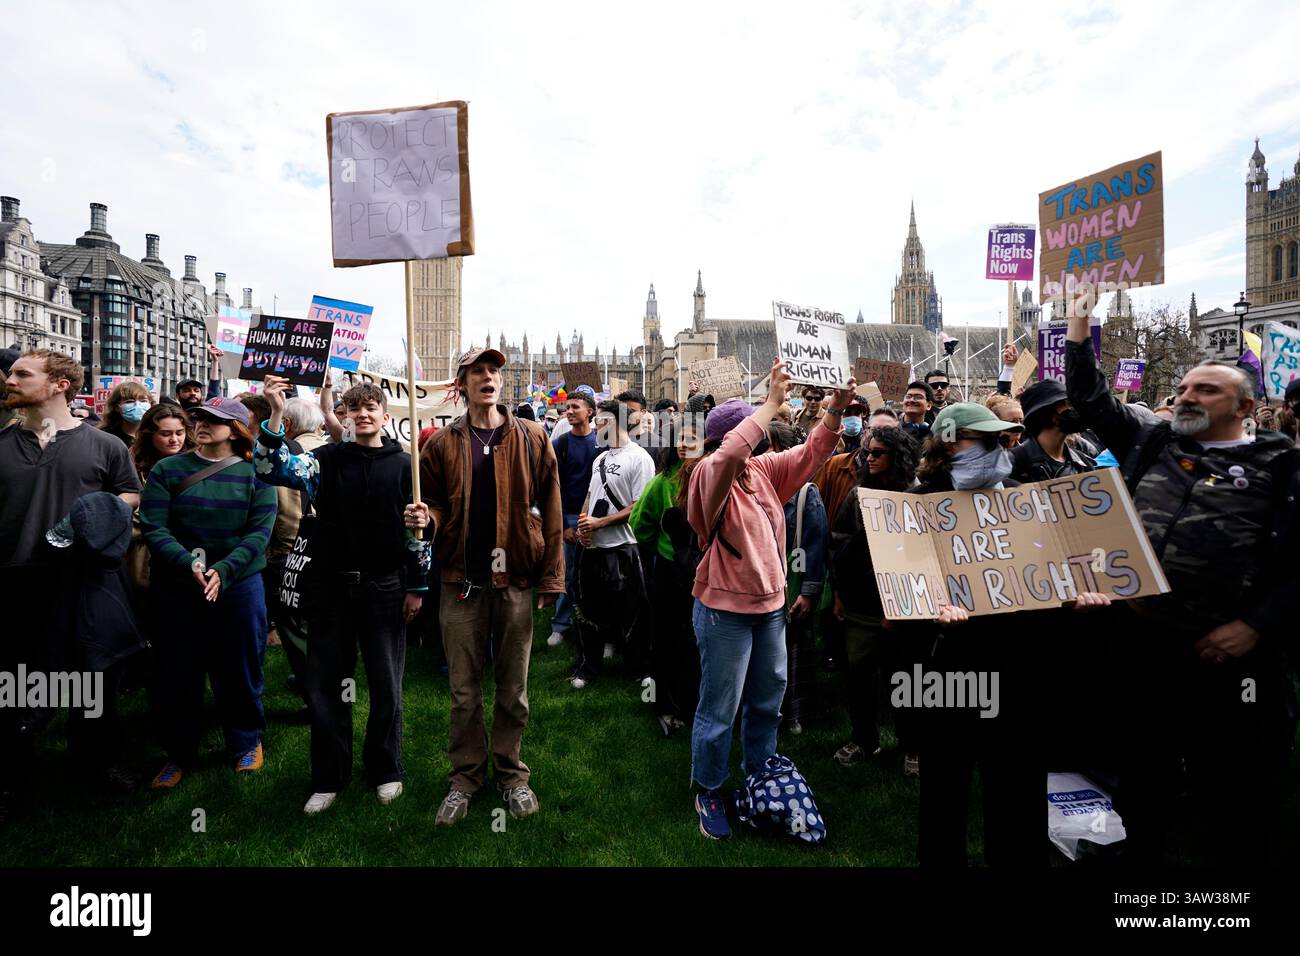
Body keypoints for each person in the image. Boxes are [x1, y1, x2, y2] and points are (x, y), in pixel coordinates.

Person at [1065, 300, 1300, 866]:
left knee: (1235, 788)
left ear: (1245, 406)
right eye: (1185, 387)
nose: (1187, 396)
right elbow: (1091, 400)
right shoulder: (1155, 443)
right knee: (1144, 774)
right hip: (1146, 644)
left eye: (1206, 390)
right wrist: (1079, 326)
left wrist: (1254, 627)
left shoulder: (1280, 464)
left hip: (1229, 656)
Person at [909, 402, 1110, 866]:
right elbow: (896, 583)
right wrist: (928, 611)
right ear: (948, 442)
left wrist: (1075, 601)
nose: (1001, 448)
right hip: (950, 669)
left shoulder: (1027, 497)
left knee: (1017, 784)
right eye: (986, 440)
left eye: (1003, 439)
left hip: (1020, 666)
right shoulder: (917, 504)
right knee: (944, 784)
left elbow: (1051, 578)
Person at [682, 360, 853, 840]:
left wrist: (835, 411)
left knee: (766, 700)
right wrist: (772, 403)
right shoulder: (707, 476)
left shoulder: (760, 472)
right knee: (719, 707)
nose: (755, 438)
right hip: (724, 614)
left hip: (769, 610)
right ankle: (710, 788)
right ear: (730, 436)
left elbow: (810, 454)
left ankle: (759, 777)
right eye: (747, 428)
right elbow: (726, 457)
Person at [255, 375, 429, 814]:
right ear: (346, 417)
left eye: (372, 407)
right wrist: (276, 413)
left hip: (385, 587)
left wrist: (417, 586)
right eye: (356, 408)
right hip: (331, 586)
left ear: (385, 416)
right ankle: (329, 776)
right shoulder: (323, 461)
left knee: (386, 683)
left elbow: (419, 536)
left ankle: (385, 769)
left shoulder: (408, 466)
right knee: (325, 686)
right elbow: (266, 469)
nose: (364, 413)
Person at [420, 347, 564, 827]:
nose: (488, 377)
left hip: (515, 580)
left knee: (513, 690)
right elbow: (436, 506)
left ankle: (511, 774)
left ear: (502, 381)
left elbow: (553, 507)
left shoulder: (532, 436)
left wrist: (552, 575)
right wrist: (427, 519)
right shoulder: (440, 444)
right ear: (461, 383)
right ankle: (465, 779)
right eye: (478, 371)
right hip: (461, 581)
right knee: (463, 692)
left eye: (494, 371)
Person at [0, 349, 144, 816]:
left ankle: (99, 762)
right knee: (17, 685)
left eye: (23, 374)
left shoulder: (105, 446)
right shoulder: (1, 445)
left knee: (94, 680)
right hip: (16, 584)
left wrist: (103, 514)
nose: (11, 380)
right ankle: (11, 777)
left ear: (60, 384)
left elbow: (129, 492)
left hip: (85, 583)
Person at [139, 396, 277, 789]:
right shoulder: (168, 469)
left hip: (239, 587)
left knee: (240, 667)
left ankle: (246, 740)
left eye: (213, 420)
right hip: (179, 587)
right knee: (178, 672)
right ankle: (178, 753)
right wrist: (189, 564)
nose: (200, 424)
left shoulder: (257, 475)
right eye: (197, 417)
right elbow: (154, 526)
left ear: (235, 430)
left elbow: (259, 534)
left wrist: (225, 569)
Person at [828, 425, 920, 768]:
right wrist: (838, 592)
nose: (869, 458)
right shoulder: (857, 495)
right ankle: (864, 740)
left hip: (906, 606)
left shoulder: (916, 494)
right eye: (868, 452)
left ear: (898, 456)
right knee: (859, 678)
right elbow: (838, 542)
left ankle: (912, 745)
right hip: (861, 606)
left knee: (906, 680)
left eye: (877, 453)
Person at [572, 399, 656, 686]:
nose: (596, 425)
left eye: (602, 421)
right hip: (594, 546)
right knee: (588, 610)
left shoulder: (640, 458)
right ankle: (588, 667)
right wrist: (584, 523)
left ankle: (638, 669)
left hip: (623, 547)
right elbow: (590, 494)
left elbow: (638, 506)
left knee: (632, 612)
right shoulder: (600, 459)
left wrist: (601, 523)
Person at [631, 419, 702, 734]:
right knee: (668, 639)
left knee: (696, 642)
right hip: (672, 574)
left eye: (693, 438)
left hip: (704, 575)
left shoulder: (713, 478)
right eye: (681, 439)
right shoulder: (662, 483)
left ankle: (692, 703)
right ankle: (667, 705)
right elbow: (640, 523)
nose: (686, 444)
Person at [260, 395, 327, 707]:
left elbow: (288, 511)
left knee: (295, 625)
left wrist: (280, 555)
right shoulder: (331, 448)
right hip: (328, 552)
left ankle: (314, 691)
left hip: (294, 551)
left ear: (286, 424)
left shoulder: (293, 454)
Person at [765, 420, 827, 736]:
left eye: (770, 447)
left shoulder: (805, 494)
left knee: (792, 655)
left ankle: (793, 715)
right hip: (763, 587)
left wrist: (809, 592)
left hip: (793, 590)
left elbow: (816, 544)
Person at [546, 393, 599, 649]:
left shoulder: (601, 442)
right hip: (568, 516)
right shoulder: (561, 444)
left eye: (575, 407)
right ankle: (561, 625)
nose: (569, 411)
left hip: (595, 518)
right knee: (567, 576)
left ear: (589, 412)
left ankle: (596, 628)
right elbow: (553, 487)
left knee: (596, 575)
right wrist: (563, 526)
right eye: (567, 407)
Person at [1007, 379, 1095, 482]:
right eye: (1066, 404)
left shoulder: (1083, 463)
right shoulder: (1011, 463)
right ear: (1046, 413)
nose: (1073, 409)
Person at [99, 381, 153, 447]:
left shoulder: (155, 434)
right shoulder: (105, 437)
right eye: (130, 401)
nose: (137, 405)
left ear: (150, 404)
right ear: (116, 407)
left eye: (143, 401)